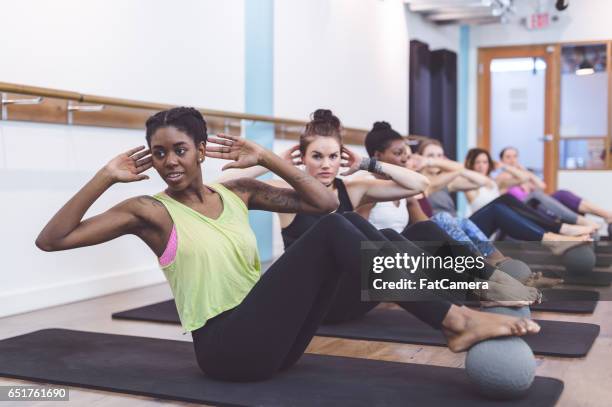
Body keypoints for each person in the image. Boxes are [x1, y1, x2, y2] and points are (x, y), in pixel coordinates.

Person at [35, 107, 540, 382]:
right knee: (339, 230)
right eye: (160, 152)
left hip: (277, 343)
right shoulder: (150, 212)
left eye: (181, 149)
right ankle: (454, 319)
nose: (170, 161)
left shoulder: (237, 193)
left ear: (202, 150)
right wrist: (105, 177)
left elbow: (323, 202)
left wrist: (273, 159)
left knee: (354, 227)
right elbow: (51, 240)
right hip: (227, 352)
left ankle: (462, 307)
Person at [219, 112, 540, 313]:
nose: (326, 164)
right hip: (322, 302)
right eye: (317, 156)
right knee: (381, 234)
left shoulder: (352, 188)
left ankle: (486, 284)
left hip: (359, 290)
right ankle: (467, 303)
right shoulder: (284, 192)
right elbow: (221, 187)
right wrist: (270, 161)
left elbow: (420, 183)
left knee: (422, 231)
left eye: (333, 156)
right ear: (302, 158)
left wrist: (369, 164)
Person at [355, 123, 560, 288]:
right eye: (398, 153)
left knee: (452, 220)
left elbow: (425, 227)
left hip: (411, 248)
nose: (404, 159)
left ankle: (498, 266)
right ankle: (490, 274)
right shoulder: (369, 188)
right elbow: (360, 235)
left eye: (406, 154)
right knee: (444, 218)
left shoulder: (404, 188)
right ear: (377, 156)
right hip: (388, 256)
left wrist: (448, 240)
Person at [417, 141, 590, 253]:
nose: (436, 160)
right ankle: (557, 233)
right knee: (502, 206)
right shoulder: (418, 182)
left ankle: (557, 232)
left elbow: (483, 180)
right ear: (419, 158)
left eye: (440, 156)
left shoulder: (447, 182)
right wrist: (446, 166)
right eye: (430, 156)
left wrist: (507, 166)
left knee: (505, 201)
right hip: (443, 237)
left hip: (461, 229)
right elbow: (430, 184)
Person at [499, 146, 609, 231]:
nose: (512, 160)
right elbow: (522, 181)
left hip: (539, 205)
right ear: (502, 160)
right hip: (524, 209)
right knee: (537, 195)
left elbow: (542, 186)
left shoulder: (524, 175)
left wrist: (524, 171)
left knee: (562, 194)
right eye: (508, 157)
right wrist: (515, 171)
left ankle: (606, 215)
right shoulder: (501, 177)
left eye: (515, 156)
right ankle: (584, 222)